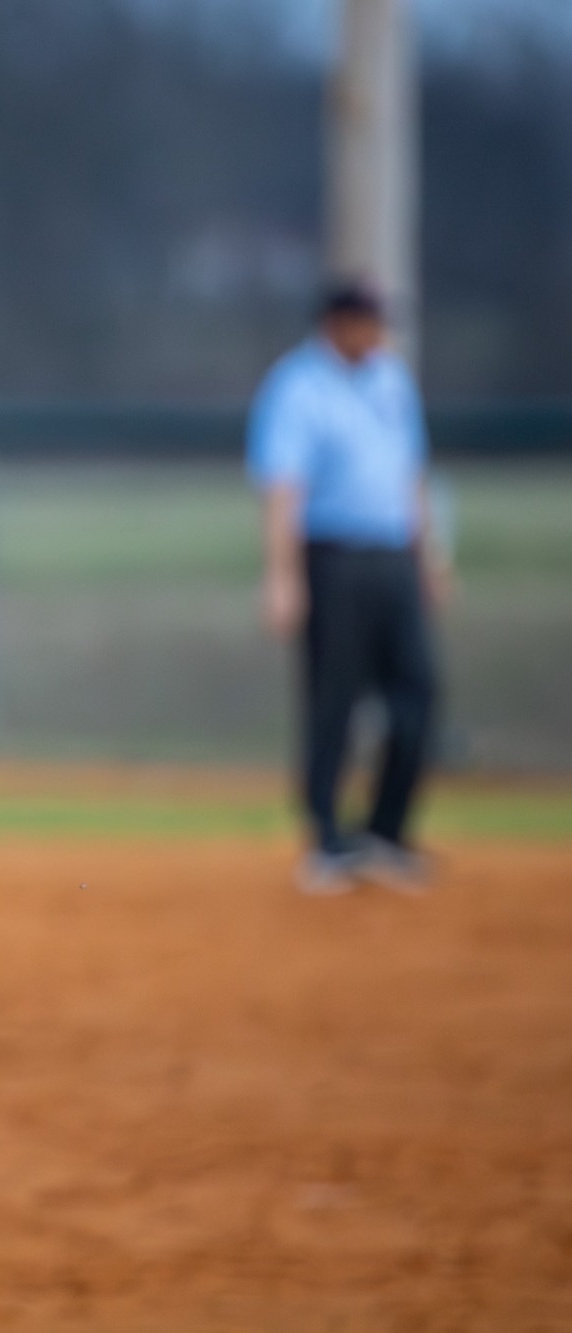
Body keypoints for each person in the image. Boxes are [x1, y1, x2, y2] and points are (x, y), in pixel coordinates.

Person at [247, 280, 450, 894]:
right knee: (334, 702)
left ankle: (386, 832)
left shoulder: (391, 380)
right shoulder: (297, 386)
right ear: (337, 324)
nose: (379, 335)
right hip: (331, 557)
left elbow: (412, 474)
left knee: (419, 693)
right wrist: (283, 577)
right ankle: (329, 841)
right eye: (369, 324)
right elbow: (284, 487)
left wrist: (430, 558)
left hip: (392, 555)